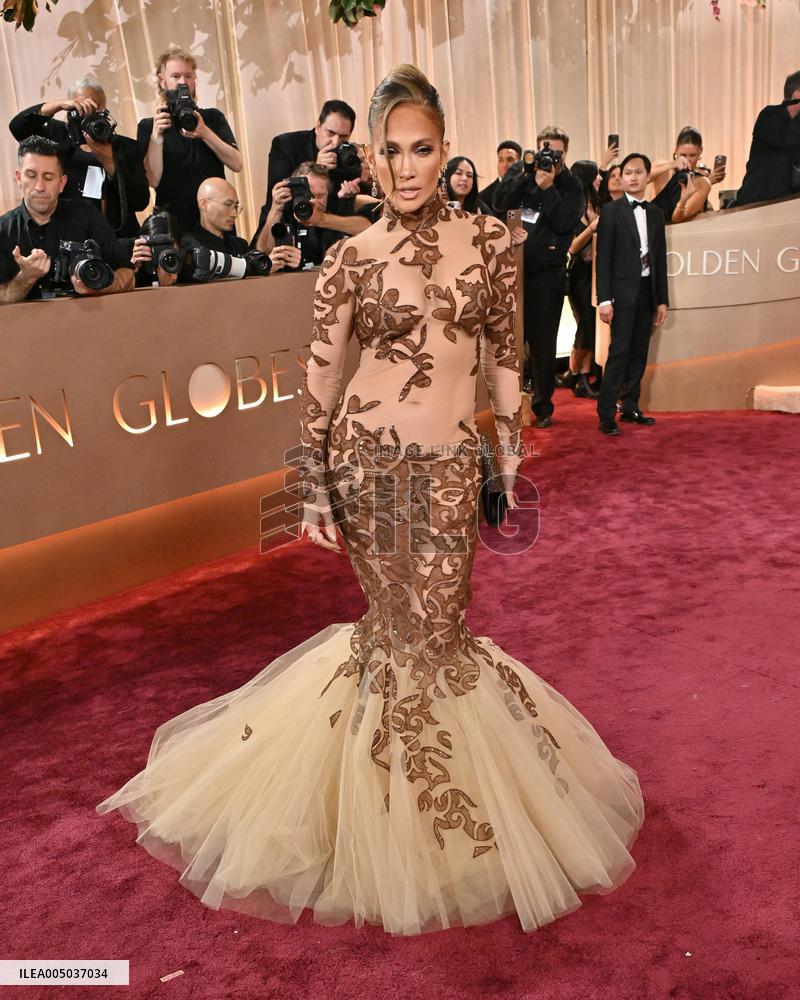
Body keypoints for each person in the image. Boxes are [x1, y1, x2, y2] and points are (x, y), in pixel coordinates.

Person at [97, 63, 644, 937]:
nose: (406, 166)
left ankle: (418, 812)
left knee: (441, 629)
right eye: (390, 152)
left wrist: (510, 454)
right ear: (373, 160)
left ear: (446, 149)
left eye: (422, 148)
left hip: (454, 469)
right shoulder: (348, 258)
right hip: (370, 466)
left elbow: (507, 356)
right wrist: (311, 483)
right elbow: (320, 380)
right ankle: (401, 831)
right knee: (408, 633)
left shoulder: (492, 244)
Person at [494, 126, 584, 427]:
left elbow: (565, 223)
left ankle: (542, 406)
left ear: (565, 154)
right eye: (546, 149)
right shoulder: (522, 172)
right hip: (512, 272)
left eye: (556, 152)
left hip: (548, 276)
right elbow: (500, 201)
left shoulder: (571, 185)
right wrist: (527, 177)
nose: (550, 156)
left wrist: (549, 187)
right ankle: (507, 401)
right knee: (509, 338)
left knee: (544, 343)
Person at [8, 76, 149, 237]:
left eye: (96, 108)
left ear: (105, 109)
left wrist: (109, 161)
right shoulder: (56, 137)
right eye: (83, 106)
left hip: (116, 240)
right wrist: (58, 105)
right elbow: (18, 127)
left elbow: (140, 201)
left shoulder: (125, 146)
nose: (90, 113)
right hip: (67, 238)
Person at [0, 136, 133, 303]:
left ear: (62, 183)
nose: (40, 187)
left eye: (48, 177)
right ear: (19, 179)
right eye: (31, 175)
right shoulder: (3, 230)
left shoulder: (86, 215)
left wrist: (97, 285)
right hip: (26, 327)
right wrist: (26, 277)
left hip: (87, 322)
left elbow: (128, 275)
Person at [595, 153, 669, 436]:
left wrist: (662, 299)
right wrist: (604, 299)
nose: (633, 177)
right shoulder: (611, 212)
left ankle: (631, 406)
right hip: (621, 295)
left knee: (640, 352)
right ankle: (605, 413)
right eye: (628, 172)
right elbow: (603, 259)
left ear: (647, 176)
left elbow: (660, 259)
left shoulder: (656, 213)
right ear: (622, 177)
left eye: (639, 172)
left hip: (647, 293)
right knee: (620, 352)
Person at [137, 45, 243, 235]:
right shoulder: (148, 126)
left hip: (215, 223)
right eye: (175, 76)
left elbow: (236, 163)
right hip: (173, 224)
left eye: (188, 76)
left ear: (194, 79)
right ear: (162, 81)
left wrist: (204, 132)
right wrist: (156, 137)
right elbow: (152, 180)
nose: (182, 83)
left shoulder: (212, 118)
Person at [253, 99, 358, 244]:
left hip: (328, 232)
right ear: (318, 126)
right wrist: (316, 167)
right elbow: (278, 194)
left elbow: (351, 209)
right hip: (286, 224)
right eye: (330, 133)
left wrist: (350, 196)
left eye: (343, 136)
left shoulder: (348, 156)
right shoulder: (286, 145)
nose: (335, 142)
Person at [179, 177, 300, 280]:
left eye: (236, 206)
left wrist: (283, 263)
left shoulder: (240, 245)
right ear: (204, 205)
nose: (234, 214)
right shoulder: (187, 246)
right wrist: (257, 268)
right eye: (227, 204)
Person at [252, 162, 369, 265]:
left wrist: (321, 219)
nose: (314, 201)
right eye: (308, 195)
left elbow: (366, 228)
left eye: (320, 196)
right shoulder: (283, 208)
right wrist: (276, 210)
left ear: (328, 193)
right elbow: (263, 252)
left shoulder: (335, 205)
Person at [563, 160, 602, 399]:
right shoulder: (572, 208)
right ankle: (578, 376)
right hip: (579, 276)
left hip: (596, 274)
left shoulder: (595, 204)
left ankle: (577, 376)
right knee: (585, 326)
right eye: (596, 175)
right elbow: (572, 247)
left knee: (591, 327)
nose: (600, 179)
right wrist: (591, 229)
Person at [736, 70, 800, 207]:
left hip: (789, 205)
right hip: (757, 204)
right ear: (797, 94)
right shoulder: (770, 115)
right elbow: (787, 140)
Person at [649, 127, 726, 223]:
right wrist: (672, 164)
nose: (687, 160)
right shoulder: (663, 168)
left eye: (692, 155)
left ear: (700, 151)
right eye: (683, 155)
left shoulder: (703, 182)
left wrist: (683, 201)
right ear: (676, 150)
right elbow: (641, 180)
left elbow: (676, 219)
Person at [478, 140, 522, 213]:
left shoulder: (530, 189)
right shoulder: (484, 196)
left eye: (510, 160)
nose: (504, 165)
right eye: (500, 160)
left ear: (520, 162)